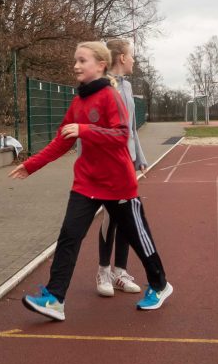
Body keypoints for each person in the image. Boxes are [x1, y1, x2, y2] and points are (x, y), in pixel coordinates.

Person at [13, 42, 173, 320]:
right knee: (68, 236)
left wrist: (86, 129)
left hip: (118, 184)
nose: (76, 65)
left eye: (82, 60)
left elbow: (121, 136)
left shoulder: (111, 97)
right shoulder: (77, 101)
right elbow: (61, 141)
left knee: (138, 237)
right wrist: (31, 165)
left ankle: (160, 284)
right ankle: (55, 299)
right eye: (75, 60)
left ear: (100, 64)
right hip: (86, 183)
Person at [96, 38, 147, 296]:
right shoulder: (102, 87)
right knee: (110, 218)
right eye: (132, 55)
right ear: (122, 58)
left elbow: (131, 128)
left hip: (127, 164)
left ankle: (120, 271)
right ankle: (103, 271)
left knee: (128, 217)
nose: (134, 60)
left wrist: (139, 157)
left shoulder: (127, 89)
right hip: (106, 164)